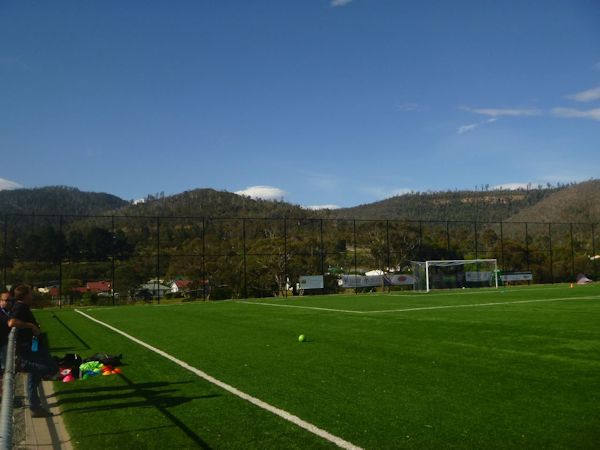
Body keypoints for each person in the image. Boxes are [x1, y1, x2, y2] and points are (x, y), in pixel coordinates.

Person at [8, 285, 58, 418]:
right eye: (30, 294)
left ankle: (35, 407)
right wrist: (30, 325)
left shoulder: (23, 306)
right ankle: (22, 364)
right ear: (24, 296)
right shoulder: (20, 306)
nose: (32, 296)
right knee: (51, 368)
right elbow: (11, 322)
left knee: (34, 377)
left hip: (31, 344)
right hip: (26, 346)